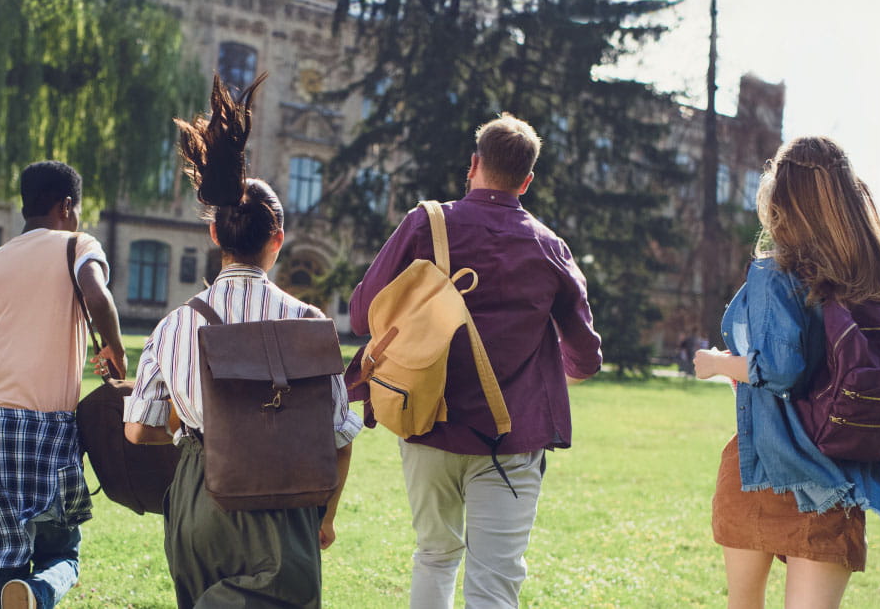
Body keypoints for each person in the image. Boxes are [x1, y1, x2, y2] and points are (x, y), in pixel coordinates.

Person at [122, 73, 363, 608]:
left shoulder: (174, 325)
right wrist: (326, 516)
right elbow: (340, 439)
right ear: (277, 241)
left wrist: (190, 428)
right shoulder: (309, 322)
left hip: (199, 497)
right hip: (283, 504)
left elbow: (139, 430)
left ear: (214, 235)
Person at [348, 113, 602, 609]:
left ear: (473, 165)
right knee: (494, 583)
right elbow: (585, 357)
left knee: (434, 556)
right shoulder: (549, 247)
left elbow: (362, 315)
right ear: (527, 180)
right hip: (511, 437)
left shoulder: (425, 224)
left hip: (426, 422)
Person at [694, 136, 880, 609]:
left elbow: (781, 372)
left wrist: (718, 364)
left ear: (781, 203)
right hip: (841, 474)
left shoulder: (775, 273)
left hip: (763, 466)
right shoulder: (879, 281)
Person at [0, 160, 127, 609]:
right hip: (45, 434)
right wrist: (115, 351)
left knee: (2, 562)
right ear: (66, 206)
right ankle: (39, 592)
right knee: (63, 553)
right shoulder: (76, 244)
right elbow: (97, 294)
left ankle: (17, 591)